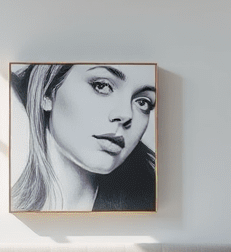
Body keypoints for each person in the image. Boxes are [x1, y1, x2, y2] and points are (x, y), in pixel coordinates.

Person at [10, 63, 157, 211]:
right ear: (46, 91)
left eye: (143, 102)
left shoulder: (145, 204)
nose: (126, 114)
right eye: (102, 86)